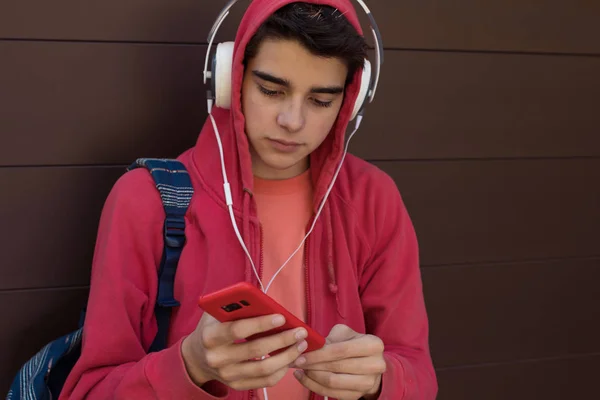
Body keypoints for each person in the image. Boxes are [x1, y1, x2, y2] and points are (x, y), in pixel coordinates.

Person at [59, 0, 438, 399]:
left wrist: (380, 382)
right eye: (272, 90)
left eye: (321, 101)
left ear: (351, 102)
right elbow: (89, 392)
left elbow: (418, 375)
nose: (292, 121)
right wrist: (189, 365)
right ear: (230, 79)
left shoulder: (373, 199)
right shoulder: (146, 199)